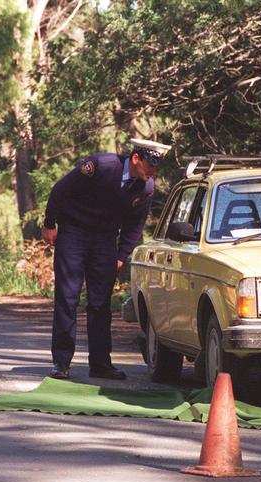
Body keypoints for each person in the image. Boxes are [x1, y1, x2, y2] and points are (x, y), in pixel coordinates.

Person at [41, 138, 171, 380]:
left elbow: (135, 226)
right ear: (136, 159)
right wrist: (50, 224)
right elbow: (61, 189)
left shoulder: (146, 188)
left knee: (100, 303)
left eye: (155, 167)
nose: (153, 172)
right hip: (73, 233)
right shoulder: (100, 165)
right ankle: (61, 363)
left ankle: (100, 364)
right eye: (150, 165)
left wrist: (121, 256)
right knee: (68, 298)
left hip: (104, 240)